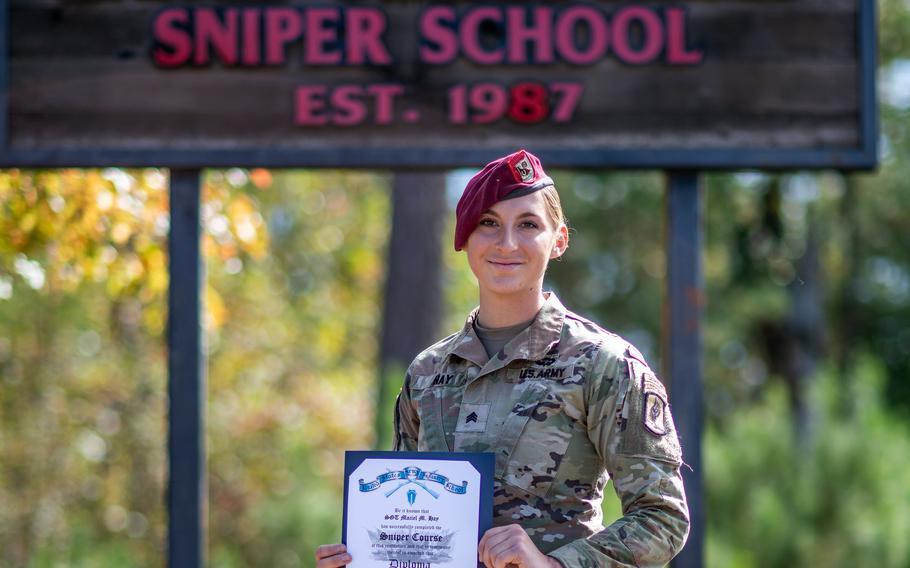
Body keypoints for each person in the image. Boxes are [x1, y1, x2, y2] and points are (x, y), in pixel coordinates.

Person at [316, 150, 689, 568]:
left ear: (559, 240)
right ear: (465, 238)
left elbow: (662, 518)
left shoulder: (603, 364)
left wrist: (555, 565)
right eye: (488, 224)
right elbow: (407, 523)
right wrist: (365, 559)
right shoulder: (427, 373)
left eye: (528, 225)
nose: (507, 243)